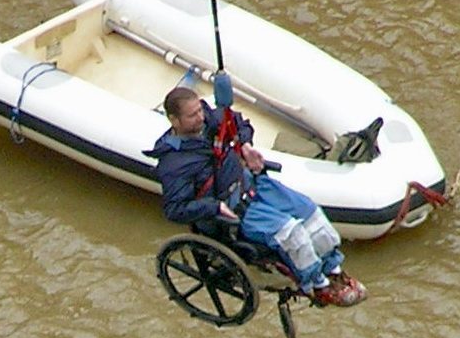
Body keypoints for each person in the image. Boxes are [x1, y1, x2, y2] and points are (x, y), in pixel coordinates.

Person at [147, 79, 365, 307]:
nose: (200, 117)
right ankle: (317, 286)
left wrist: (246, 145)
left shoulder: (210, 120)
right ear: (174, 120)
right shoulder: (174, 164)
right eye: (192, 115)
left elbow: (239, 123)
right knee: (292, 233)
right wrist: (213, 207)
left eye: (200, 110)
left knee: (310, 213)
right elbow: (174, 209)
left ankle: (333, 269)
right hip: (232, 210)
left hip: (252, 184)